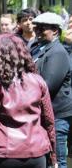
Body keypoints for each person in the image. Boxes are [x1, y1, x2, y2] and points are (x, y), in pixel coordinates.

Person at [0, 33, 57, 168]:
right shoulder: (38, 81)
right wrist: (53, 156)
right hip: (36, 152)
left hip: (2, 153)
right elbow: (49, 121)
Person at [31, 12, 72, 168]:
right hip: (43, 114)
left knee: (57, 161)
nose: (38, 32)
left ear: (55, 30)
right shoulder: (37, 47)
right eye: (36, 28)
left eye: (42, 28)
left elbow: (48, 86)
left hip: (57, 115)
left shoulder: (58, 52)